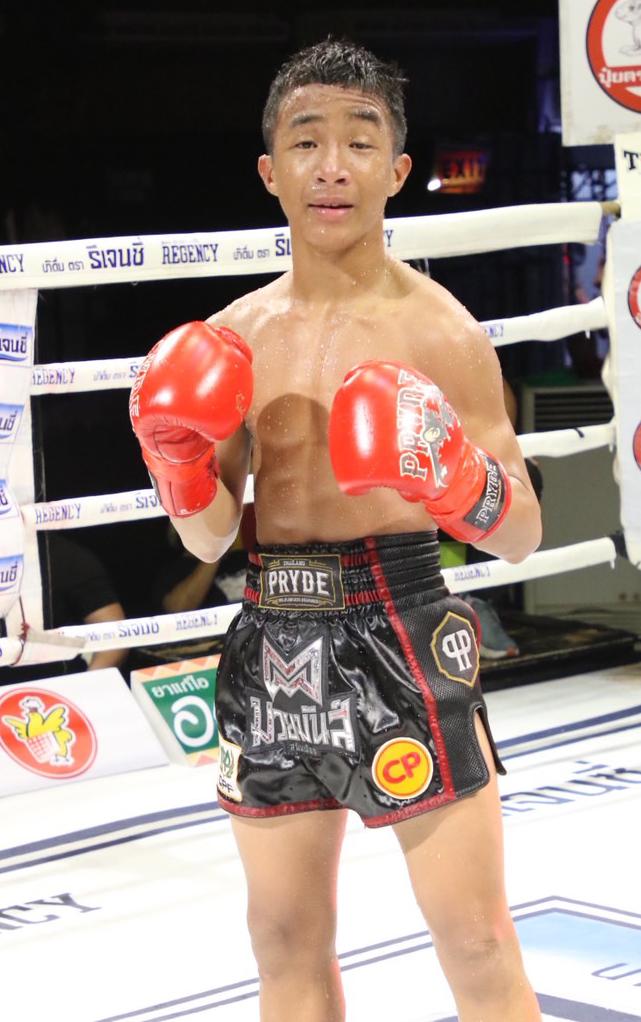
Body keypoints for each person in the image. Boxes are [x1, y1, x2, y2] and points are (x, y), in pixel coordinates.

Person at [129, 39, 542, 1022]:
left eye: (359, 142)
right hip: (273, 631)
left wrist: (454, 477)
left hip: (401, 623)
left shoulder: (439, 331)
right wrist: (178, 463)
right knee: (282, 938)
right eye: (306, 141)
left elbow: (521, 532)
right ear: (269, 170)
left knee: (475, 938)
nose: (332, 166)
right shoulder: (233, 336)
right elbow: (208, 541)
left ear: (395, 171)